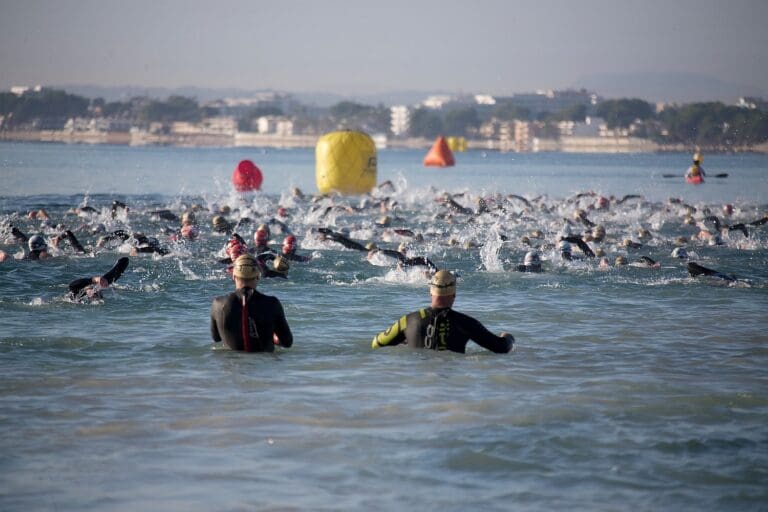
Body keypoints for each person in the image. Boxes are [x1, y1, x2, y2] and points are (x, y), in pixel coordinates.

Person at [370, 270, 514, 353]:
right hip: (451, 385)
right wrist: (508, 337)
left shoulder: (408, 321)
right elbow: (501, 348)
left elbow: (376, 343)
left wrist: (405, 339)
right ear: (454, 294)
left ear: (430, 293)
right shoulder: (465, 323)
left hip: (416, 387)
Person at [210, 254, 293, 352]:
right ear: (258, 276)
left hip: (233, 364)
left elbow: (216, 338)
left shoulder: (218, 303)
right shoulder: (272, 303)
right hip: (263, 363)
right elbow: (287, 342)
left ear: (233, 276)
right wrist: (270, 336)